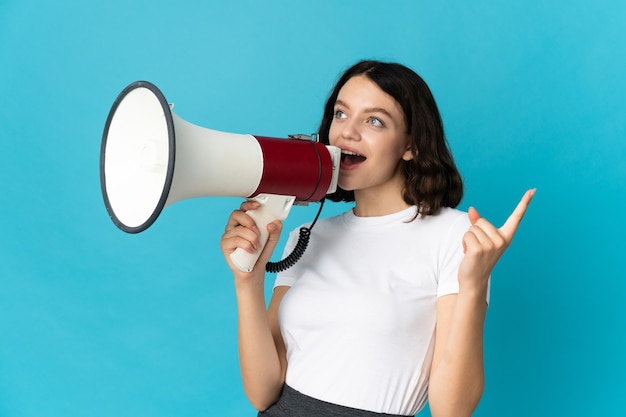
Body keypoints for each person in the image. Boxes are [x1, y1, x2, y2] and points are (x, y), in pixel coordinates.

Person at [220, 60, 535, 417]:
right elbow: (264, 394)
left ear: (410, 145)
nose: (348, 132)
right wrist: (247, 281)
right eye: (341, 114)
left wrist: (474, 286)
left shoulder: (455, 237)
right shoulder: (307, 236)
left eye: (374, 121)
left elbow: (452, 410)